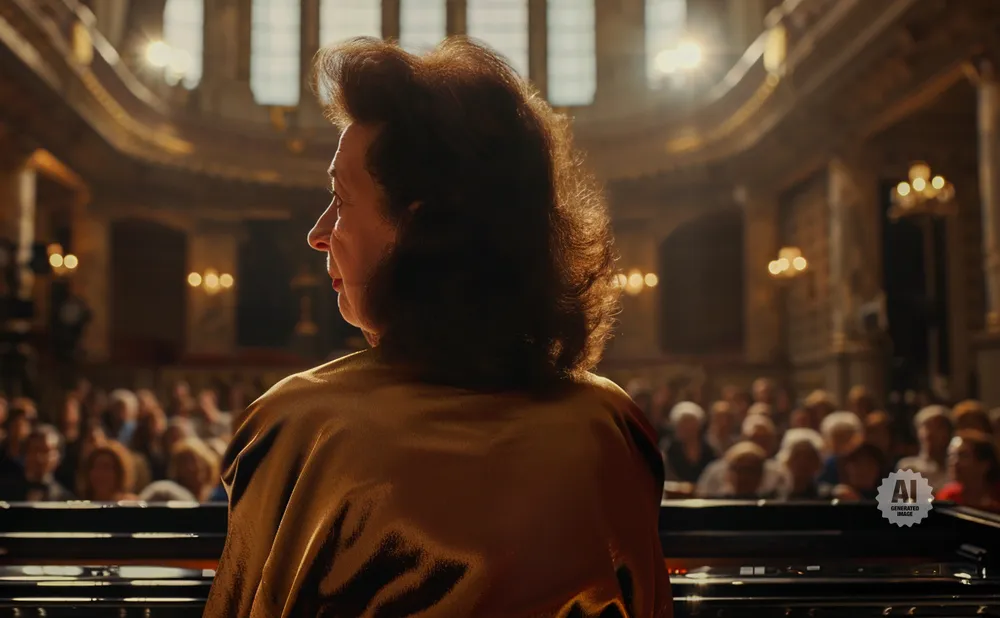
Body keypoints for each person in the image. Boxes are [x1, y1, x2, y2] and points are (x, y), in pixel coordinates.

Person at [204, 38, 670, 618]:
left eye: (341, 200)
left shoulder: (303, 429)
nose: (318, 233)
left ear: (416, 227)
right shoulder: (611, 426)